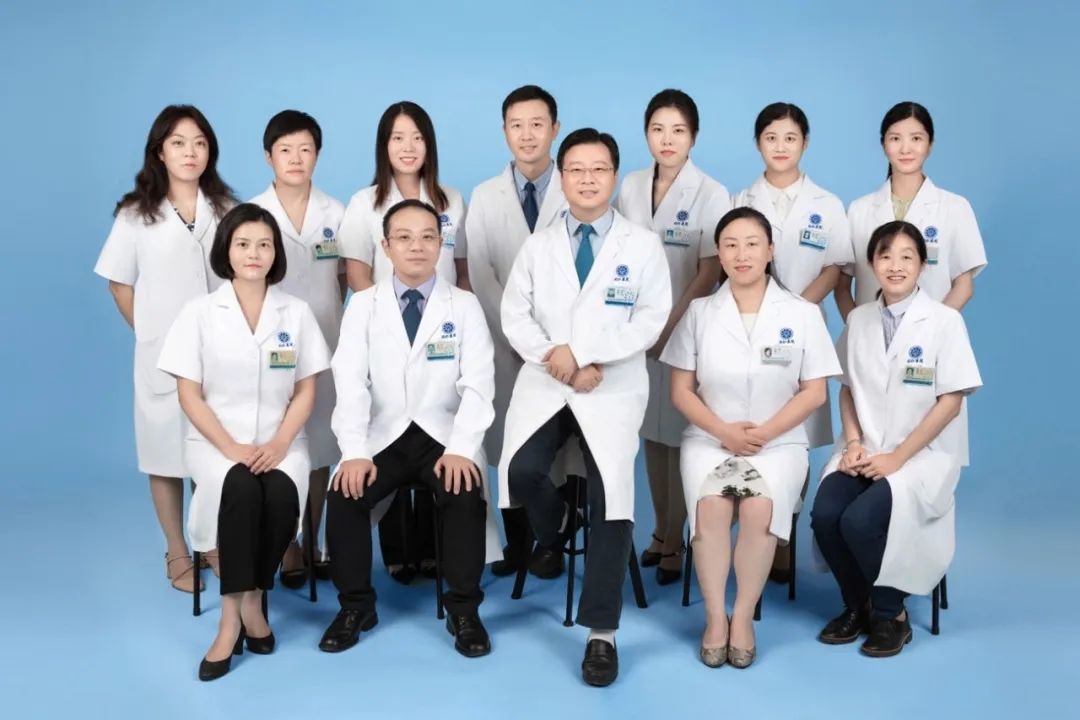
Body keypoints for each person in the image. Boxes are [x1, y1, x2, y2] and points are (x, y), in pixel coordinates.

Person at [499, 129, 672, 686]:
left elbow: (650, 320)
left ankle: (602, 633)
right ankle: (556, 526)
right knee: (520, 470)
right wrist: (556, 355)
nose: (588, 179)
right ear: (562, 176)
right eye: (576, 169)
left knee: (611, 496)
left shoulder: (641, 246)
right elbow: (514, 314)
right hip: (549, 378)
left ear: (614, 176)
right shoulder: (539, 245)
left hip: (611, 384)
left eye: (599, 169)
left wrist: (587, 353)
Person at [156, 203, 330, 680]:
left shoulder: (296, 313)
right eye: (243, 244)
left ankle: (248, 601)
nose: (254, 253)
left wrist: (279, 444)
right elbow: (189, 394)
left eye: (264, 244)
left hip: (282, 440)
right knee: (239, 488)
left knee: (280, 493)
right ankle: (235, 618)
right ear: (226, 251)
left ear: (276, 254)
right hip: (216, 443)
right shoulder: (199, 313)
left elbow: (306, 390)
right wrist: (231, 448)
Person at [661, 207, 840, 668]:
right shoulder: (700, 313)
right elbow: (680, 391)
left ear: (770, 251)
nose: (742, 254)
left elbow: (815, 392)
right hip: (710, 437)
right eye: (731, 245)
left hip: (778, 442)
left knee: (760, 508)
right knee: (712, 507)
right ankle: (714, 618)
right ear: (719, 255)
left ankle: (742, 617)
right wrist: (723, 432)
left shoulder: (801, 313)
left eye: (752, 244)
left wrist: (762, 434)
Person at [320, 199, 499, 658]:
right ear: (386, 246)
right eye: (404, 237)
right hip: (384, 434)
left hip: (444, 435)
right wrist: (354, 451)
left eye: (427, 237)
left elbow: (479, 384)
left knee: (463, 490)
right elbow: (349, 381)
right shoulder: (363, 305)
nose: (416, 246)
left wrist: (462, 448)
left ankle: (464, 610)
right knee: (344, 494)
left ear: (441, 244)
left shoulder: (464, 305)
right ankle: (356, 606)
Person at [812, 221, 981, 657]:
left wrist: (898, 457)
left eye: (907, 256)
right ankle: (858, 605)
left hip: (922, 457)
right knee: (826, 515)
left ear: (922, 265)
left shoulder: (944, 322)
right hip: (864, 448)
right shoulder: (859, 320)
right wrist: (853, 443)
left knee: (859, 521)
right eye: (885, 256)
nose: (895, 265)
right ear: (872, 264)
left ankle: (892, 615)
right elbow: (846, 388)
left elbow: (951, 401)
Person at [94, 104, 236, 593]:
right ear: (159, 152)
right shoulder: (136, 214)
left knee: (212, 452)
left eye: (199, 142)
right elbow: (119, 284)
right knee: (165, 454)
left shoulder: (226, 209)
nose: (190, 152)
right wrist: (151, 333)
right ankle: (177, 550)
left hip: (220, 353)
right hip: (162, 355)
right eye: (178, 143)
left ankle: (211, 544)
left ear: (210, 150)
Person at [338, 101, 469, 582]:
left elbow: (460, 269)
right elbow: (356, 272)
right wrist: (384, 323)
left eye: (417, 137)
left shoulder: (452, 199)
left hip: (441, 330)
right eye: (397, 138)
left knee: (435, 426)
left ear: (429, 144)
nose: (408, 147)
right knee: (390, 425)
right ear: (384, 146)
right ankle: (398, 551)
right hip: (384, 330)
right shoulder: (364, 202)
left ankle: (435, 551)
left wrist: (461, 320)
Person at [732, 101, 854, 583]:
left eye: (790, 138)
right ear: (757, 143)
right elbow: (734, 262)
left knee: (796, 435)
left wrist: (793, 308)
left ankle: (783, 538)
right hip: (749, 326)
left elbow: (835, 267)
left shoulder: (828, 204)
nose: (780, 147)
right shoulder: (742, 198)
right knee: (755, 423)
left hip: (803, 325)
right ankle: (756, 531)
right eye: (771, 137)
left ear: (805, 143)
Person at [616, 89, 728, 585]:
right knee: (651, 434)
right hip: (634, 332)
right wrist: (637, 327)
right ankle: (661, 531)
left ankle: (677, 540)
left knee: (680, 435)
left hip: (685, 328)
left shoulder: (712, 192)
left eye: (678, 131)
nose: (668, 139)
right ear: (646, 134)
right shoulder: (630, 186)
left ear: (694, 137)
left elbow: (709, 271)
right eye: (658, 129)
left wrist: (667, 327)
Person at [837, 101, 987, 470]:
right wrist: (864, 334)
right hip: (874, 353)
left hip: (928, 355)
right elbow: (842, 285)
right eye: (895, 138)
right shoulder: (859, 210)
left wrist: (927, 332)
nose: (906, 148)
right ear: (882, 144)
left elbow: (964, 284)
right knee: (862, 461)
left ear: (930, 145)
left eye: (916, 138)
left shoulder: (954, 208)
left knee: (929, 467)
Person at [466, 84, 572, 578]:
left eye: (537, 124)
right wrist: (515, 332)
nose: (527, 135)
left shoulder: (576, 187)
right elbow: (480, 272)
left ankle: (553, 541)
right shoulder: (485, 196)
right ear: (504, 131)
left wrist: (548, 343)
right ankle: (517, 541)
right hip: (504, 343)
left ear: (555, 129)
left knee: (559, 446)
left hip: (562, 347)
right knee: (507, 440)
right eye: (516, 125)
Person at [249, 109, 346, 587]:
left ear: (317, 155)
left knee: (323, 443)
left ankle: (314, 538)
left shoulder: (337, 213)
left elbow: (347, 279)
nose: (295, 158)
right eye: (285, 149)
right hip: (272, 347)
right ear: (268, 156)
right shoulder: (251, 214)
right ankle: (286, 544)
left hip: (327, 341)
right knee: (280, 441)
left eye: (305, 149)